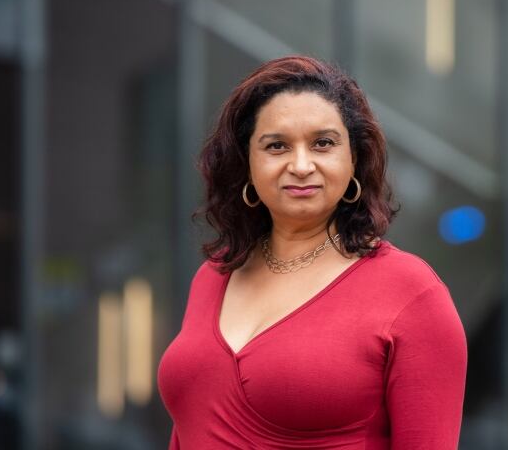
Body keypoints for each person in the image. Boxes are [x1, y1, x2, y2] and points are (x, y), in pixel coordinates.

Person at [157, 56, 467, 449]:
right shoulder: (215, 276)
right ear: (247, 163)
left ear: (353, 158)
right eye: (276, 146)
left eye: (323, 143)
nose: (301, 165)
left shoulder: (411, 293)